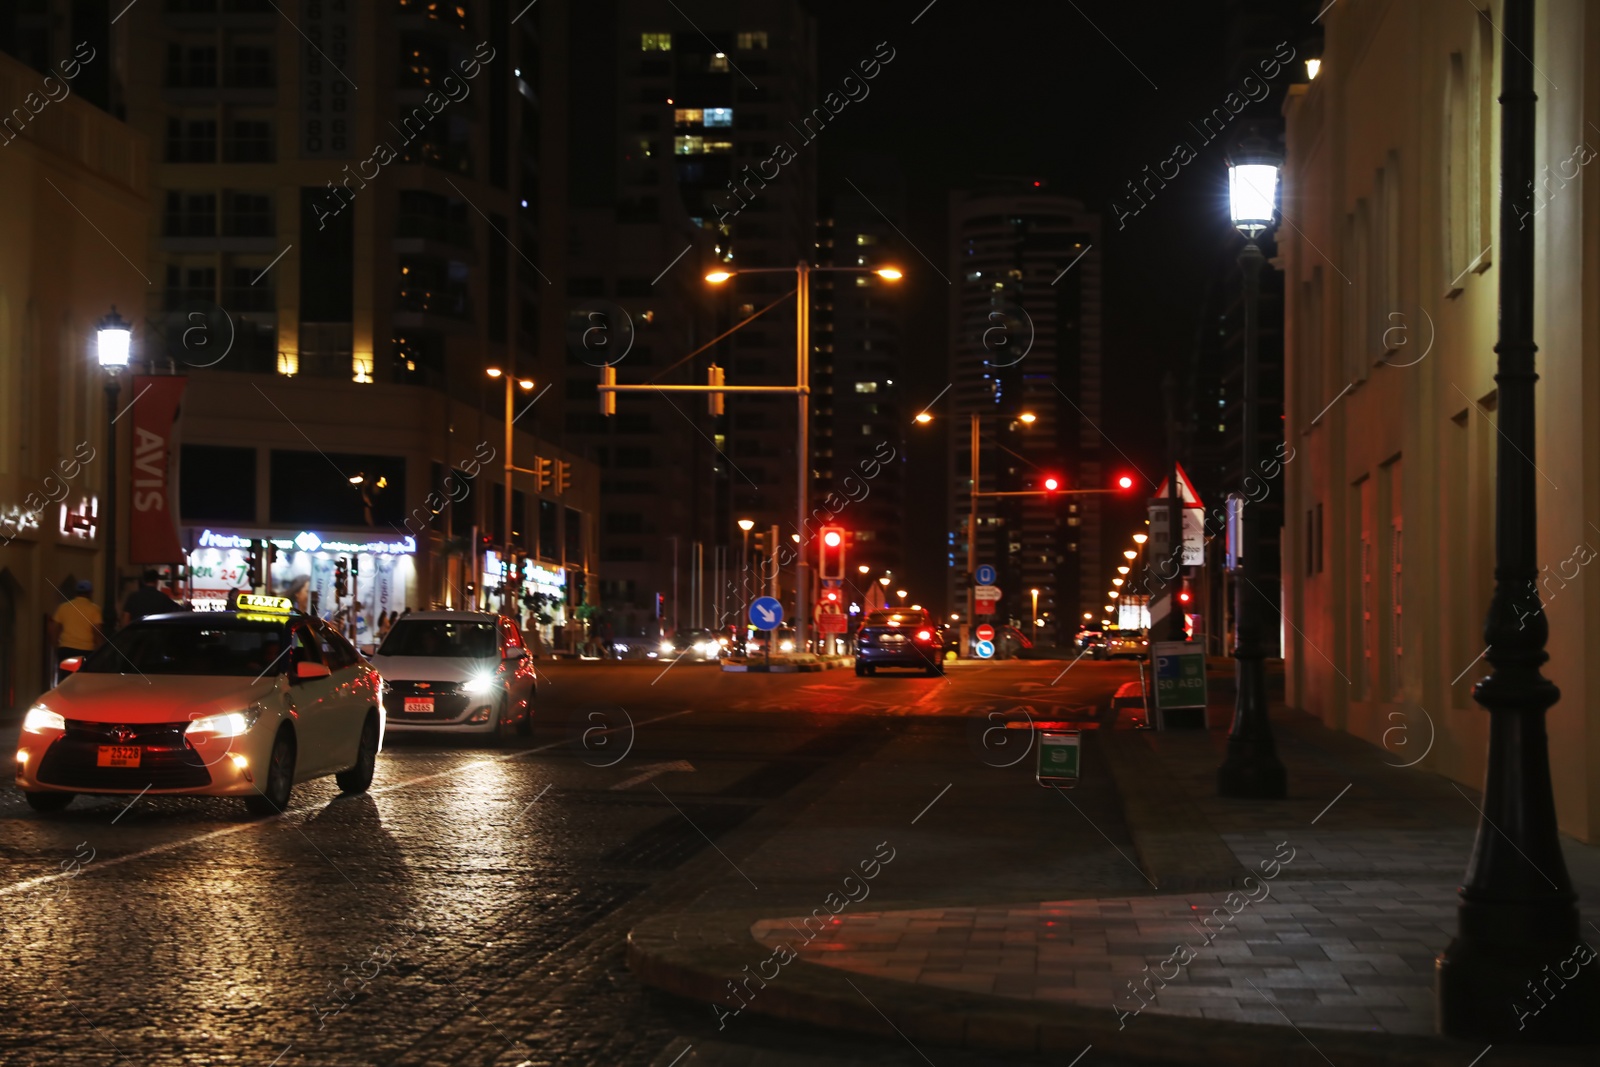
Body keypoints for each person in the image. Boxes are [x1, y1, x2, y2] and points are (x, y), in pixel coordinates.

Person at [48, 580, 103, 681]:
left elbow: (54, 628)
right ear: (90, 593)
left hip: (66, 650)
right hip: (86, 651)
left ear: (76, 593)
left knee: (66, 679)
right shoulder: (94, 609)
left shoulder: (63, 607)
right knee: (84, 680)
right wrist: (100, 648)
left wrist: (55, 645)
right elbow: (97, 631)